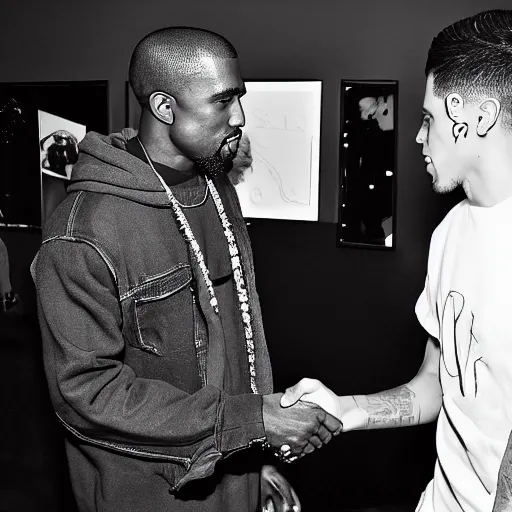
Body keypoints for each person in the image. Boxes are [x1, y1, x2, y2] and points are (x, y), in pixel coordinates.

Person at [33, 27, 342, 512]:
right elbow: (85, 394)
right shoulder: (83, 232)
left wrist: (258, 459)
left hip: (232, 472)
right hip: (146, 495)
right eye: (222, 102)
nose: (239, 117)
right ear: (164, 107)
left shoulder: (217, 189)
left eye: (238, 98)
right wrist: (253, 422)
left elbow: (238, 342)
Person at [282, 9, 512, 512]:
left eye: (429, 119)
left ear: (478, 116)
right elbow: (436, 385)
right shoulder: (450, 231)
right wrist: (344, 411)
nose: (417, 137)